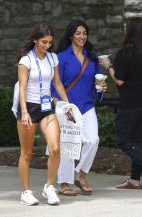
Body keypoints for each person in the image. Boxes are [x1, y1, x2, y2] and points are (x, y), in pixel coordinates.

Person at [99, 17, 142, 189]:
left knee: (122, 139)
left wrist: (108, 65)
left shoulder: (125, 52)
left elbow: (119, 81)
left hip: (130, 102)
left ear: (129, 31)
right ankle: (134, 180)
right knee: (137, 140)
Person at [14, 23, 71, 205]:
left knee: (55, 148)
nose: (47, 46)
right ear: (35, 40)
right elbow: (22, 87)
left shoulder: (52, 58)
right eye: (43, 42)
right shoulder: (26, 61)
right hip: (29, 107)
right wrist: (24, 112)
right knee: (27, 153)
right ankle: (25, 192)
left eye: (49, 42)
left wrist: (67, 104)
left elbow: (58, 84)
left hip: (47, 107)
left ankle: (49, 187)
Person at [51, 19, 106, 196]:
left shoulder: (92, 58)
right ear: (71, 35)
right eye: (78, 33)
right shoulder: (62, 57)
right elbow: (55, 85)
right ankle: (64, 183)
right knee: (69, 144)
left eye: (84, 33)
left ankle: (80, 175)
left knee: (93, 140)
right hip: (68, 106)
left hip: (87, 105)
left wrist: (101, 90)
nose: (82, 37)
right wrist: (60, 104)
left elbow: (97, 84)